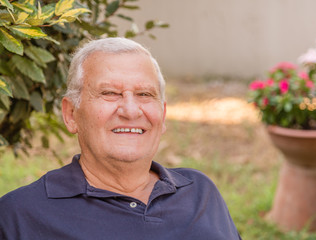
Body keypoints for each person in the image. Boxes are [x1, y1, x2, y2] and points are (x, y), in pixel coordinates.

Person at [0, 38, 241, 239]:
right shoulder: (19, 215)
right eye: (110, 93)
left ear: (163, 115)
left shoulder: (200, 192)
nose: (130, 110)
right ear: (71, 114)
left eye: (144, 94)